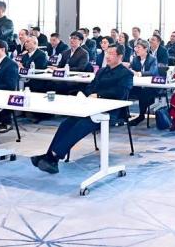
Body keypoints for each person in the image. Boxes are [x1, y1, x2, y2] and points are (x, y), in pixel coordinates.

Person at [31, 45, 135, 174]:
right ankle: (49, 156)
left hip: (111, 111)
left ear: (120, 56)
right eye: (107, 53)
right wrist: (87, 94)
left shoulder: (127, 74)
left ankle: (54, 157)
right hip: (91, 107)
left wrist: (98, 95)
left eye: (111, 54)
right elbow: (91, 86)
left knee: (82, 125)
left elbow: (120, 93)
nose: (107, 56)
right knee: (66, 123)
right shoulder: (102, 71)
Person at [127, 40, 160, 126]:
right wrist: (131, 71)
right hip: (138, 85)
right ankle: (124, 114)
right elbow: (130, 69)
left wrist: (139, 73)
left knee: (144, 93)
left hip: (151, 87)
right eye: (136, 47)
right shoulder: (135, 59)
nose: (136, 49)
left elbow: (152, 72)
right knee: (124, 90)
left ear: (145, 49)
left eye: (139, 48)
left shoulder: (152, 59)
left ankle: (141, 116)